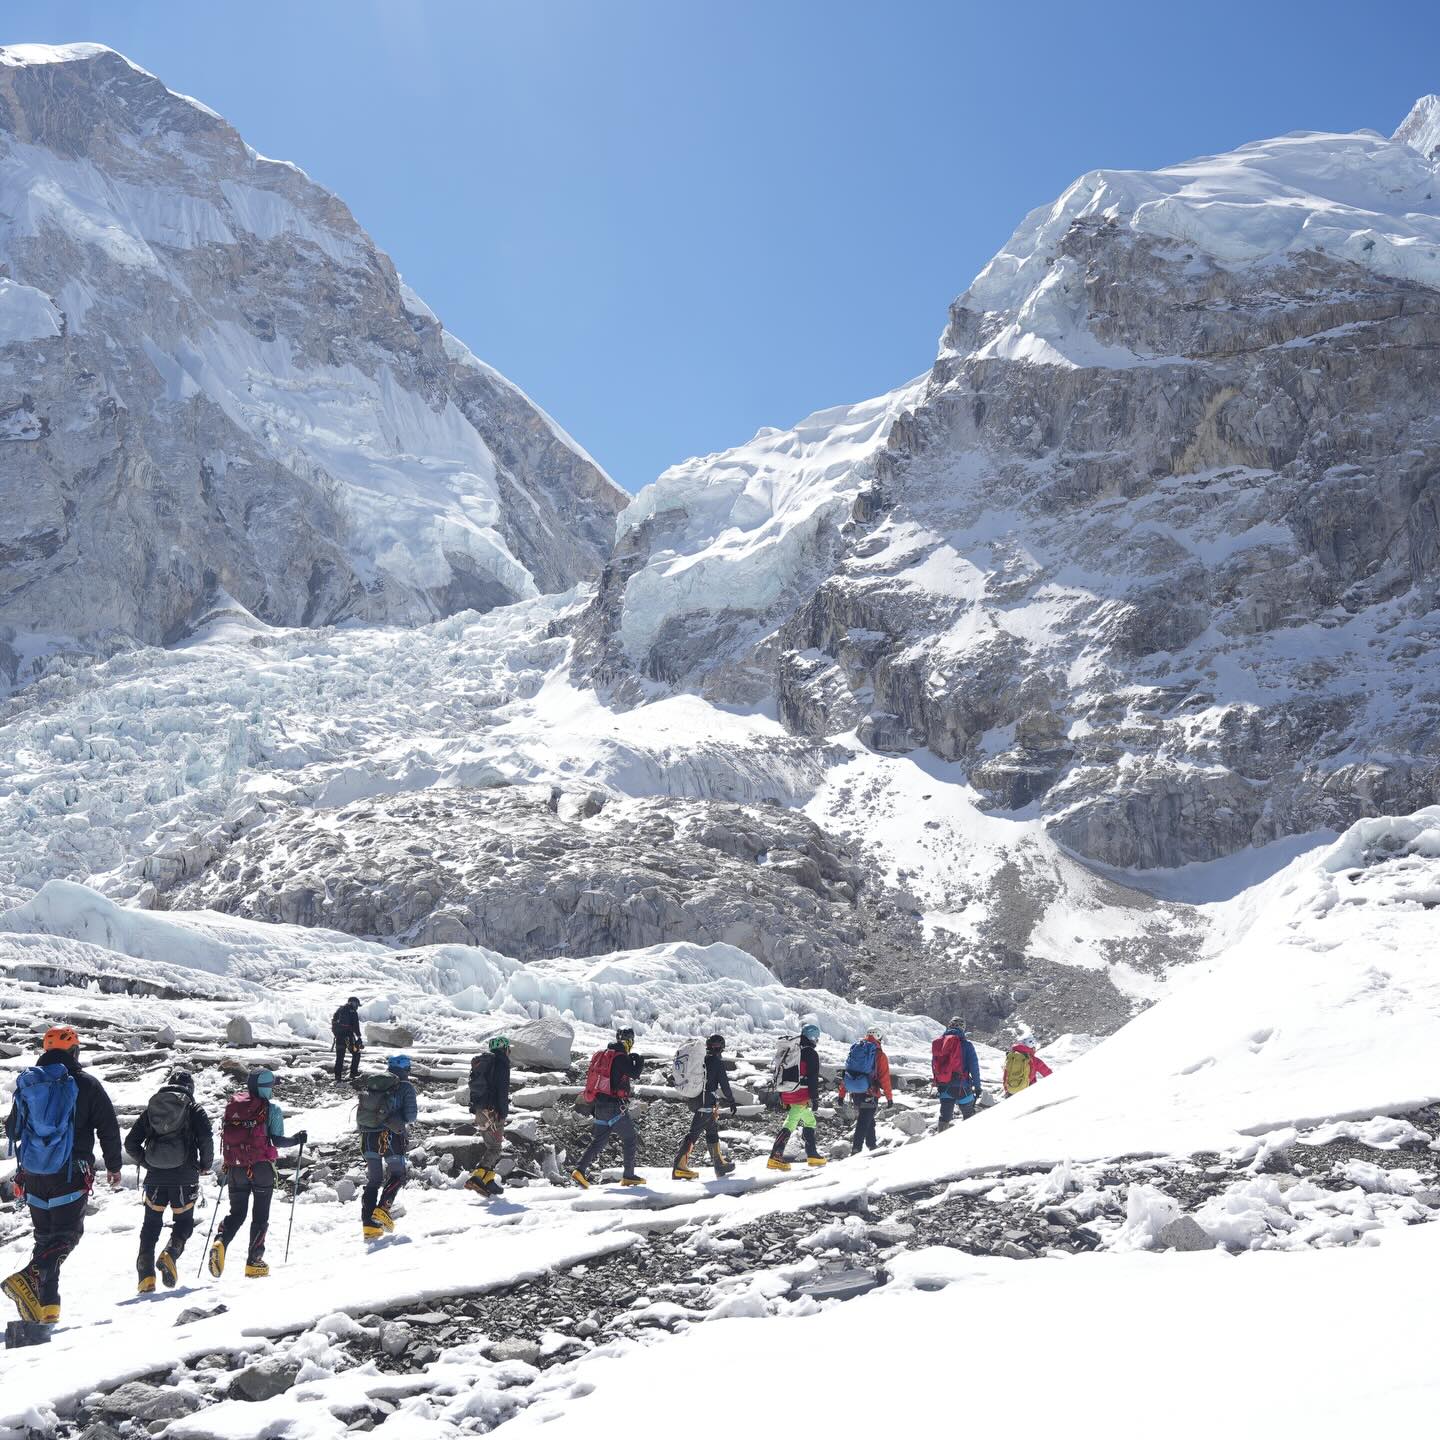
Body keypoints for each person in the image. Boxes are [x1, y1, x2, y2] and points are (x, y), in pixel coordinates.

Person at [2, 1027, 122, 1326]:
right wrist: (114, 1165)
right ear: (74, 1051)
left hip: (34, 1174)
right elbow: (107, 1127)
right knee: (67, 1237)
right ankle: (29, 1277)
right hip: (71, 1171)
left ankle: (48, 1308)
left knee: (46, 1240)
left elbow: (13, 1129)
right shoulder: (86, 1084)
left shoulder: (31, 1084)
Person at [209, 1069, 306, 1279]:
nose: (272, 1090)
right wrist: (298, 1139)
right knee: (260, 1216)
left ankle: (221, 1241)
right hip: (261, 1168)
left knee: (237, 1213)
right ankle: (254, 1262)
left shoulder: (234, 1107)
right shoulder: (272, 1110)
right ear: (264, 1088)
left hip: (235, 1168)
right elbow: (278, 1141)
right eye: (271, 1086)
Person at [124, 1069, 214, 1293]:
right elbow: (206, 1139)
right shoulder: (194, 1109)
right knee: (183, 1223)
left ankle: (145, 1278)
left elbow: (130, 1143)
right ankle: (170, 1254)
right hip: (184, 1177)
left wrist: (147, 1163)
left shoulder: (152, 1110)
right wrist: (205, 1164)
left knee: (150, 1225)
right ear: (190, 1088)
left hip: (155, 1177)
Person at [571, 1027, 645, 1188]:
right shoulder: (620, 1057)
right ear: (629, 1042)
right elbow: (635, 1073)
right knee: (630, 1138)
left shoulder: (605, 1055)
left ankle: (579, 1170)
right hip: (614, 1107)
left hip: (599, 1106)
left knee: (598, 1141)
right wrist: (639, 1060)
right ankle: (629, 1175)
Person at [360, 1055, 419, 1241]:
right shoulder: (405, 1087)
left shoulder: (375, 1084)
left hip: (369, 1137)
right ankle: (382, 1210)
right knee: (398, 1175)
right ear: (406, 1069)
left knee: (374, 1181)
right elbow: (410, 1116)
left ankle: (369, 1226)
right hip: (391, 1138)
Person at [671, 1034, 738, 1180]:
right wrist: (732, 1100)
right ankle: (679, 1166)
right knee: (693, 1134)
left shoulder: (702, 1060)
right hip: (706, 1104)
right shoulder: (717, 1062)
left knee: (712, 1131)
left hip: (698, 1101)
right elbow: (725, 1085)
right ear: (721, 1048)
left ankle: (719, 1164)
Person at [768, 1023, 827, 1170]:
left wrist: (782, 1094)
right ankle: (775, 1157)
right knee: (791, 1123)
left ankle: (812, 1155)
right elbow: (812, 1078)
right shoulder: (811, 1053)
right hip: (801, 1094)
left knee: (810, 1121)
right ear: (813, 1038)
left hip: (788, 1091)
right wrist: (815, 1098)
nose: (816, 1041)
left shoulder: (794, 1051)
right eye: (816, 1038)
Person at [464, 1036, 511, 1198]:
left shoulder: (483, 1063)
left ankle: (489, 1181)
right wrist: (503, 1112)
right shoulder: (501, 1063)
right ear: (505, 1048)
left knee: (491, 1145)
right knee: (495, 1148)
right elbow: (502, 1090)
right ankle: (477, 1177)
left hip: (479, 1110)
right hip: (493, 1112)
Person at [837, 1026, 894, 1154]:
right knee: (864, 1121)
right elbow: (885, 1078)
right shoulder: (879, 1054)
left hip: (855, 1091)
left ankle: (872, 1145)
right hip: (870, 1092)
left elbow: (847, 1073)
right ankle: (856, 1149)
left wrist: (841, 1095)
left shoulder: (857, 1049)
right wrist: (889, 1098)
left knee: (868, 1119)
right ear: (879, 1037)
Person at [932, 1017, 982, 1129]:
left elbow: (935, 1065)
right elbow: (974, 1068)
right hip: (962, 1087)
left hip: (944, 1086)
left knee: (945, 1117)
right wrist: (977, 1087)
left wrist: (938, 1082)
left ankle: (940, 1140)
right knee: (969, 1116)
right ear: (963, 1029)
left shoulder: (939, 1043)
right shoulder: (967, 1045)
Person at [331, 997, 363, 1084]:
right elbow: (356, 1026)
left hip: (339, 1038)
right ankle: (353, 1073)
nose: (357, 1007)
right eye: (357, 1005)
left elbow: (334, 1024)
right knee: (356, 1053)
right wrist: (359, 1037)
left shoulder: (340, 1010)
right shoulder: (352, 1012)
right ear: (353, 1003)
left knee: (340, 1057)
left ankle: (337, 1077)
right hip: (348, 1039)